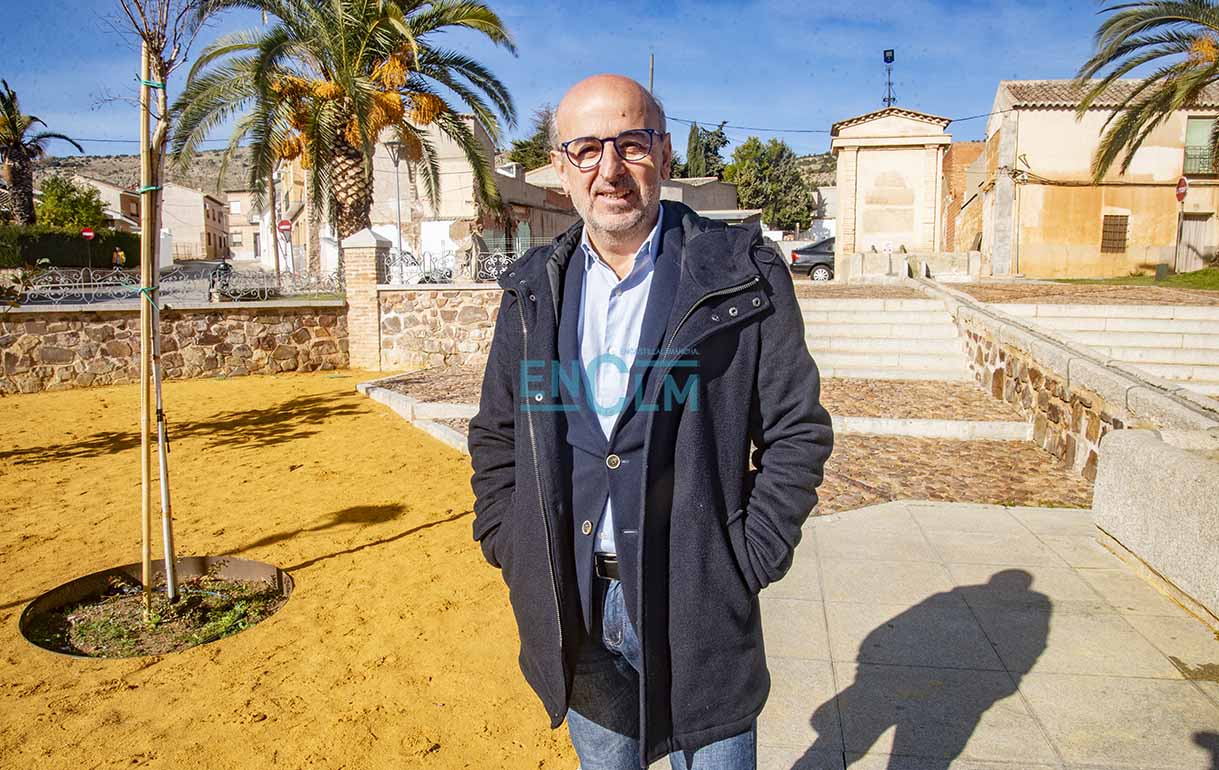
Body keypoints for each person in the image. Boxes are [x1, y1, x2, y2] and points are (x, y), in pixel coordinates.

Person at [469, 74, 833, 770]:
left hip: (698, 604)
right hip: (575, 607)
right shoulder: (531, 289)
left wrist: (745, 559)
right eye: (586, 150)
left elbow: (796, 430)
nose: (610, 170)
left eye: (631, 145)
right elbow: (495, 435)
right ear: (559, 167)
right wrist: (508, 541)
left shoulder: (739, 274)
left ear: (663, 156)